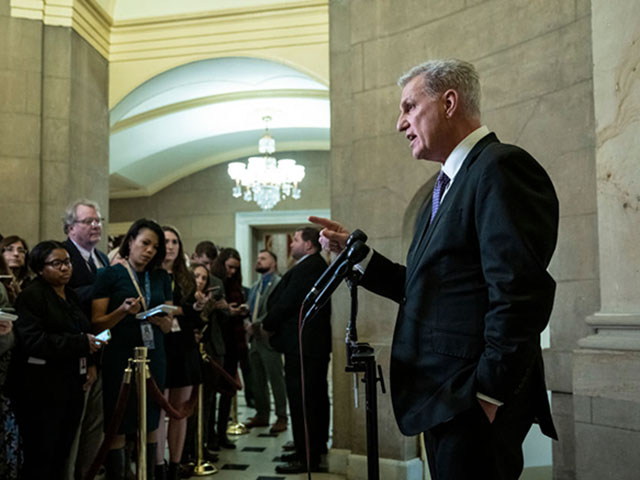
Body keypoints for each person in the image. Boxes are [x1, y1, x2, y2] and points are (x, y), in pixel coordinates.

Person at [312, 58, 559, 480]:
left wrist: (488, 392)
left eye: (409, 107)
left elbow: (520, 291)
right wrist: (359, 256)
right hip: (443, 399)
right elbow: (428, 285)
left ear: (448, 102)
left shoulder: (500, 167)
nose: (399, 123)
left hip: (471, 400)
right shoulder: (444, 188)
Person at [10, 241, 103, 479]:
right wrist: (81, 344)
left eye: (67, 262)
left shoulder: (69, 294)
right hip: (41, 388)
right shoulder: (32, 296)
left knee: (63, 450)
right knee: (42, 454)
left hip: (71, 383)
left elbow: (83, 329)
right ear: (41, 268)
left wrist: (90, 359)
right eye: (57, 263)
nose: (65, 268)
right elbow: (34, 341)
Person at [92, 219, 173, 479]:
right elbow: (97, 322)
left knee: (150, 417)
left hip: (154, 352)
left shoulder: (161, 277)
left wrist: (163, 321)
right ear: (130, 242)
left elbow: (170, 323)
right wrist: (122, 311)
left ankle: (146, 474)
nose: (150, 250)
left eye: (154, 246)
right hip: (120, 354)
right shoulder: (109, 274)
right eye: (145, 243)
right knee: (120, 420)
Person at [263, 227, 331, 474]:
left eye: (296, 240)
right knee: (313, 400)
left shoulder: (310, 267)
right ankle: (312, 447)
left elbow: (287, 302)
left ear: (309, 245)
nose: (291, 245)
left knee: (304, 402)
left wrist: (267, 324)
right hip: (306, 346)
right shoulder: (312, 265)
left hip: (303, 346)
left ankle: (307, 458)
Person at [61, 199, 109, 480]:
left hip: (102, 350)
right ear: (70, 227)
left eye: (98, 220)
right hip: (76, 354)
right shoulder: (62, 255)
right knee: (74, 429)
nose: (96, 225)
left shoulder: (101, 259)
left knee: (96, 426)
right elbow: (70, 305)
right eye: (88, 221)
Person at [156, 226, 203, 480]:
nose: (171, 246)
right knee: (160, 409)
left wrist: (188, 309)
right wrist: (180, 309)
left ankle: (175, 463)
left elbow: (192, 314)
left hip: (183, 346)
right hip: (160, 345)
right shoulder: (151, 274)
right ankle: (158, 465)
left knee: (180, 410)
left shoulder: (186, 276)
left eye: (175, 241)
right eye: (166, 241)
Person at [244, 250, 287, 434]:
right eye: (258, 258)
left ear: (274, 263)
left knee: (275, 379)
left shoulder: (279, 284)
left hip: (269, 338)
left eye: (263, 258)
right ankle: (262, 414)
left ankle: (281, 416)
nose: (259, 261)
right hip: (254, 340)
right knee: (257, 379)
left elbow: (277, 309)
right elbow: (250, 308)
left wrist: (257, 323)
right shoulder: (255, 286)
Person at [209, 248, 249, 450]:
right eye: (230, 267)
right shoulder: (215, 281)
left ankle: (221, 431)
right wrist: (226, 310)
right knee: (213, 392)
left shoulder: (234, 284)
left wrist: (237, 311)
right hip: (218, 340)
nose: (232, 271)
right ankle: (210, 434)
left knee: (227, 392)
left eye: (235, 268)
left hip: (233, 341)